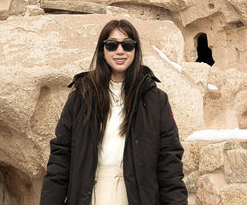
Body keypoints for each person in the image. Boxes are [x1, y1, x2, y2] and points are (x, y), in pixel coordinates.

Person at [40, 19, 188, 205]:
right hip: (90, 194)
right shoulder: (81, 96)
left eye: (127, 45)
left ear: (135, 50)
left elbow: (170, 163)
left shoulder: (156, 100)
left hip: (136, 196)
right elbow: (60, 158)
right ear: (103, 50)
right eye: (112, 45)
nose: (120, 51)